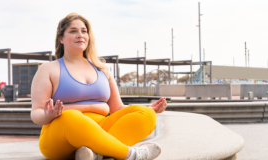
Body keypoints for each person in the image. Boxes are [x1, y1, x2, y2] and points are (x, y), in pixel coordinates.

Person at [30, 13, 167, 160]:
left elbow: (117, 108)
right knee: (69, 116)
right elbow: (36, 113)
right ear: (61, 39)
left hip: (102, 126)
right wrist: (48, 115)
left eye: (84, 31)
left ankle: (93, 153)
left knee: (146, 114)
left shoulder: (102, 69)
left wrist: (148, 108)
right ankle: (132, 154)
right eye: (73, 31)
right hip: (60, 135)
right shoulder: (48, 69)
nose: (80, 35)